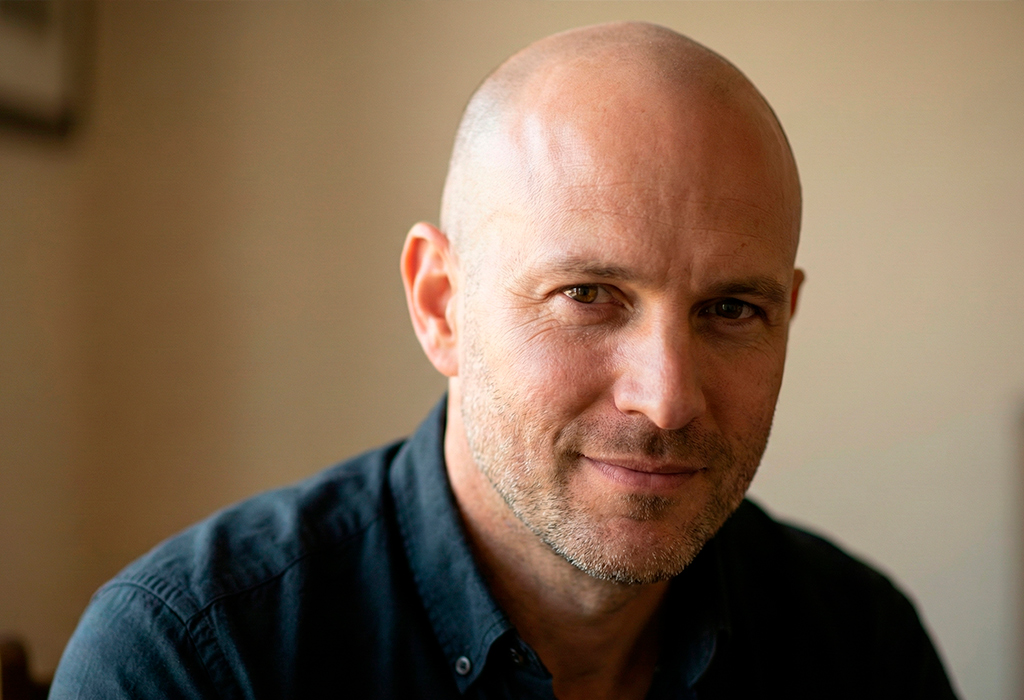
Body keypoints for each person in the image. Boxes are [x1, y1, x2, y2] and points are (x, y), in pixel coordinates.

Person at [51, 22, 958, 699]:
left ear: (786, 319)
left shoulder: (861, 645)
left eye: (730, 309)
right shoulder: (196, 660)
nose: (667, 399)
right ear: (439, 304)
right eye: (589, 296)